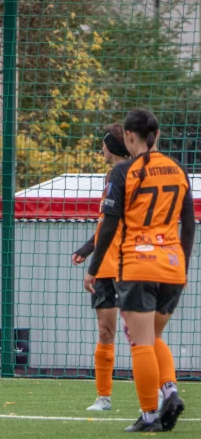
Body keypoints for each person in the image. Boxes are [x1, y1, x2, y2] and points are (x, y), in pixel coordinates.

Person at [84, 109, 195, 432]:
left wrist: (93, 268)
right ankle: (169, 391)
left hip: (138, 263)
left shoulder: (124, 172)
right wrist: (184, 266)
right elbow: (189, 224)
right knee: (155, 336)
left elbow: (108, 226)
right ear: (156, 135)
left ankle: (149, 415)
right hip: (172, 265)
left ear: (130, 137)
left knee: (142, 342)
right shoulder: (178, 169)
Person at [72, 124, 130, 411]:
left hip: (131, 264)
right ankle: (104, 397)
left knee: (139, 332)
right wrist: (86, 249)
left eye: (103, 144)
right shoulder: (110, 177)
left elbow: (115, 224)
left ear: (113, 148)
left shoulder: (133, 174)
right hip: (106, 266)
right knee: (106, 330)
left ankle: (160, 391)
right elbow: (106, 224)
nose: (101, 149)